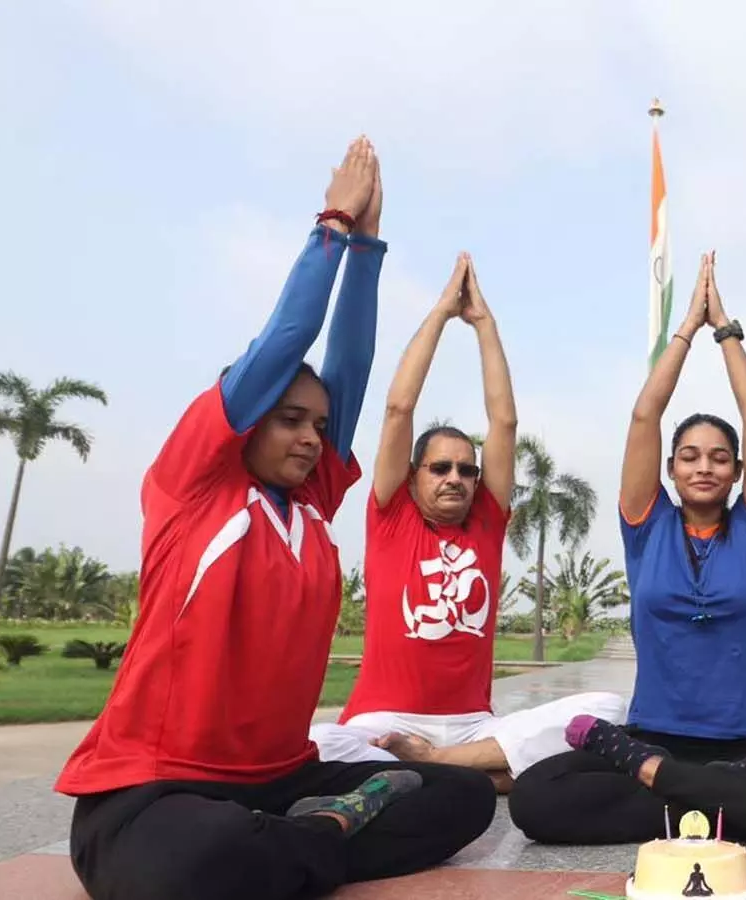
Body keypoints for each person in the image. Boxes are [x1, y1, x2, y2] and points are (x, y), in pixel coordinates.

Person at [54, 138, 497, 900]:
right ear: (247, 417)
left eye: (318, 427)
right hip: (153, 792)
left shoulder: (312, 500)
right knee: (193, 858)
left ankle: (298, 837)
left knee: (464, 799)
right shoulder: (194, 485)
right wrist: (336, 226)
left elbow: (350, 369)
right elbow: (285, 341)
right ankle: (321, 834)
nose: (310, 438)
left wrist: (369, 252)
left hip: (282, 779)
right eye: (289, 418)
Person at [507, 252, 746, 848]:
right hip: (651, 734)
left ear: (737, 472)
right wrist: (685, 331)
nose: (705, 466)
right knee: (534, 798)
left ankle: (670, 794)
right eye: (690, 457)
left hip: (745, 746)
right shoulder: (647, 526)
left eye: (719, 457)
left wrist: (724, 331)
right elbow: (646, 413)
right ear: (670, 470)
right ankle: (714, 802)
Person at [308, 251, 625, 791]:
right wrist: (440, 313)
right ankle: (480, 774)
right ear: (412, 477)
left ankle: (438, 766)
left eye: (466, 469)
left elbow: (505, 420)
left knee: (610, 709)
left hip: (472, 726)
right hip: (385, 722)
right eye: (439, 468)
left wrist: (485, 324)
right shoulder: (392, 515)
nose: (455, 477)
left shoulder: (486, 521)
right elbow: (398, 409)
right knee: (315, 742)